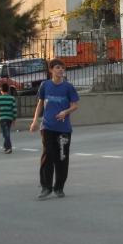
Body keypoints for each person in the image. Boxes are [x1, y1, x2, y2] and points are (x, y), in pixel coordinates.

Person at [30, 58, 79, 199]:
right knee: (48, 155)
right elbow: (40, 104)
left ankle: (59, 187)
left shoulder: (68, 87)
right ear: (51, 70)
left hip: (63, 128)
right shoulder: (45, 85)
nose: (61, 70)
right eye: (58, 67)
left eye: (62, 67)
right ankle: (46, 187)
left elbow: (75, 105)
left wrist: (65, 112)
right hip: (47, 126)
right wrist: (35, 121)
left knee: (62, 158)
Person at [0, 83, 17, 154]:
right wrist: (14, 118)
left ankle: (8, 147)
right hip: (9, 118)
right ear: (8, 90)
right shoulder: (12, 98)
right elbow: (14, 109)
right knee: (6, 133)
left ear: (0, 90)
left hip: (2, 118)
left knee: (6, 133)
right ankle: (6, 145)